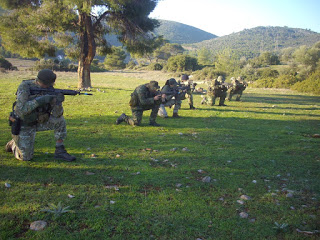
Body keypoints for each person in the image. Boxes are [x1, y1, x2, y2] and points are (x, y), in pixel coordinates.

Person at [5, 69, 76, 161]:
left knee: (60, 121)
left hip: (40, 121)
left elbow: (57, 115)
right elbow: (21, 110)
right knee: (26, 157)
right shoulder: (25, 87)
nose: (47, 86)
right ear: (38, 81)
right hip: (24, 124)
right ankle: (14, 144)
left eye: (49, 84)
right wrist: (40, 100)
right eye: (45, 84)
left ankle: (60, 150)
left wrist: (58, 103)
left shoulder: (50, 90)